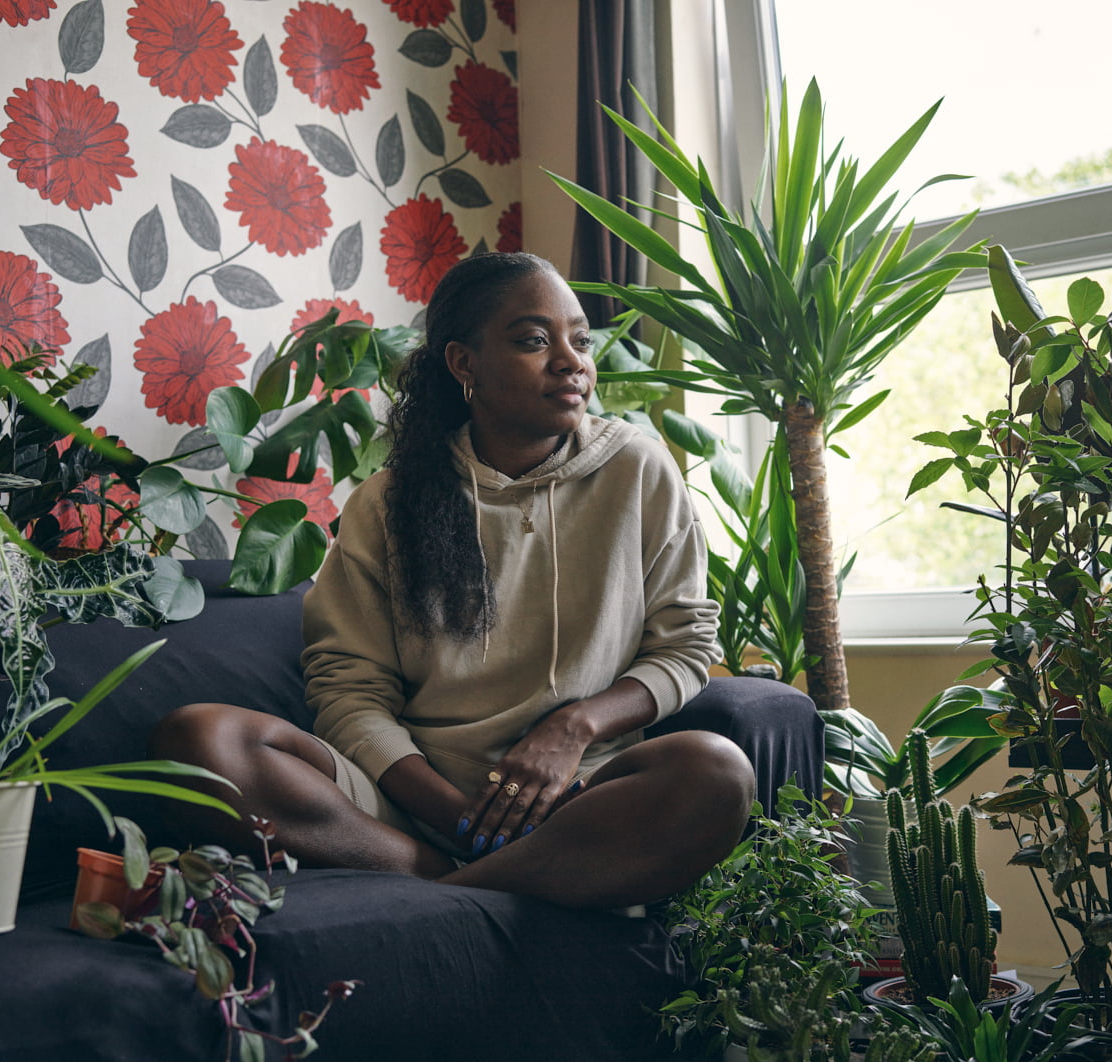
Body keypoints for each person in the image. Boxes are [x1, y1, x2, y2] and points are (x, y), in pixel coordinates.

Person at [151, 252, 755, 910]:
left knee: (716, 770)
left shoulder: (637, 468)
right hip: (410, 804)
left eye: (579, 339)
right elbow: (348, 691)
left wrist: (571, 729)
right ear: (464, 363)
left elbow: (687, 643)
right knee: (200, 741)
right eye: (533, 339)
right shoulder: (389, 501)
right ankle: (470, 875)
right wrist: (458, 814)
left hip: (576, 797)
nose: (570, 360)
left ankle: (448, 890)